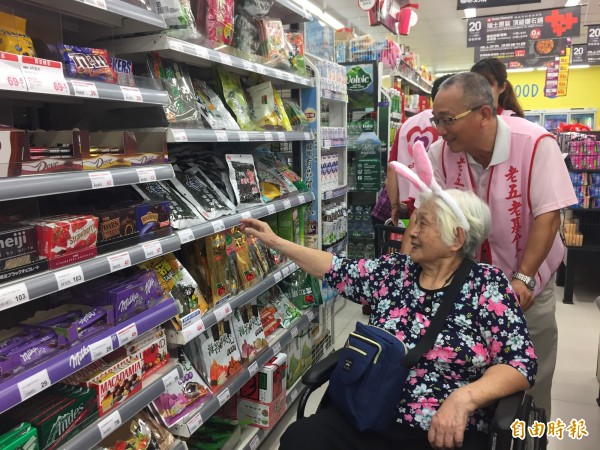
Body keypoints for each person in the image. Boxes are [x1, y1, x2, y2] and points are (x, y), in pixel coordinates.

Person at [240, 186, 536, 450]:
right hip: (369, 413)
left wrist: (464, 399)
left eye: (422, 223)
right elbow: (334, 268)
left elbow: (520, 363)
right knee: (302, 438)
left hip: (444, 431)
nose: (411, 232)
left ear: (456, 238)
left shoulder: (487, 286)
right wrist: (275, 241)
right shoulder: (395, 271)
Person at [401, 72, 577, 418]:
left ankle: (531, 433)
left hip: (525, 283)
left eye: (448, 120)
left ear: (484, 114)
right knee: (468, 369)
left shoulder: (535, 144)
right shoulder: (439, 154)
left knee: (531, 376)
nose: (440, 130)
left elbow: (548, 216)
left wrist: (524, 278)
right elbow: (424, 216)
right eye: (436, 120)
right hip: (464, 286)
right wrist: (406, 274)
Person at [387, 74, 453, 225]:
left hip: (408, 203)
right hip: (442, 206)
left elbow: (392, 168)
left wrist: (395, 206)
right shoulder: (450, 126)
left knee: (414, 236)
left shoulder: (407, 123)